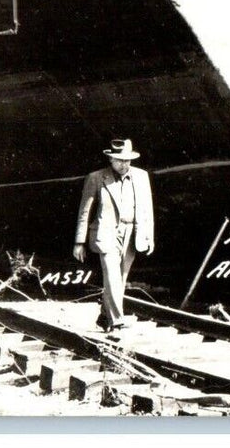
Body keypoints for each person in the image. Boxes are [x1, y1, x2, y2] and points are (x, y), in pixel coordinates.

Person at [73, 138, 155, 332]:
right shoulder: (96, 178)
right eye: (119, 160)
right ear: (110, 159)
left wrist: (149, 236)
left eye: (127, 160)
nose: (124, 164)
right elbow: (85, 211)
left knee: (121, 278)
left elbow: (147, 209)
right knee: (112, 277)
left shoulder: (141, 176)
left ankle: (104, 316)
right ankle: (117, 321)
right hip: (106, 233)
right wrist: (79, 242)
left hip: (132, 233)